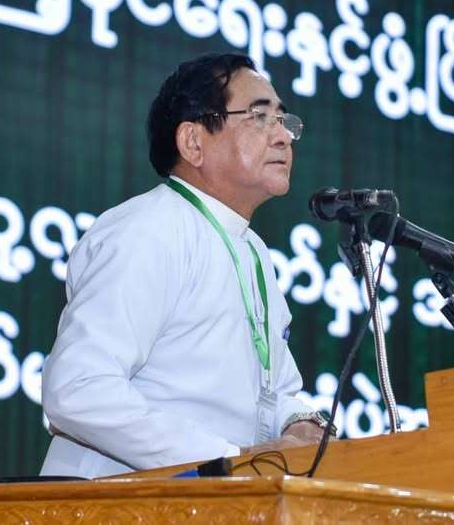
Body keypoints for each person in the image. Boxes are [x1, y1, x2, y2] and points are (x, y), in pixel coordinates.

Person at [39, 53, 332, 478]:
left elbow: (274, 391)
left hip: (209, 497)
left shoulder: (253, 251)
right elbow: (78, 388)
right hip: (114, 499)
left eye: (284, 121)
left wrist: (300, 424)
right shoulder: (148, 229)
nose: (284, 137)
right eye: (259, 117)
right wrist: (226, 461)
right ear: (193, 142)